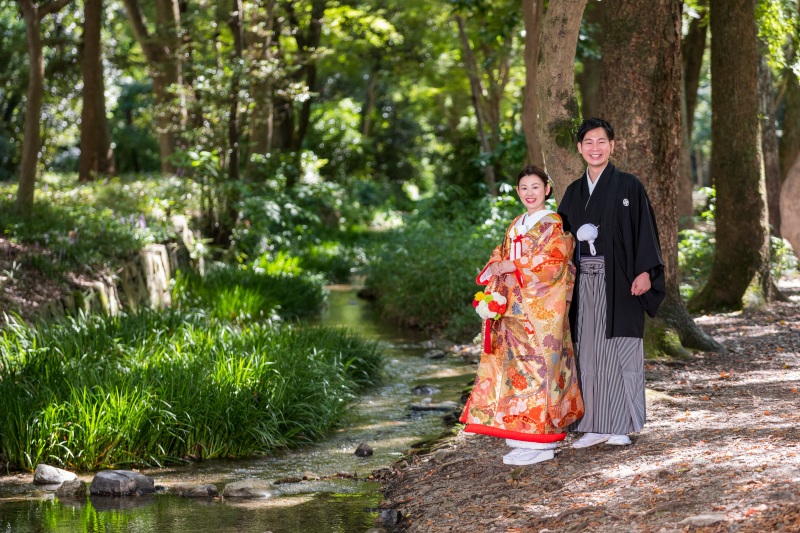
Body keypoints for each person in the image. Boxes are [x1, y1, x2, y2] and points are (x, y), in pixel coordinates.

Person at [461, 165, 584, 466]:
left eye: (535, 187)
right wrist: (496, 268)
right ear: (518, 192)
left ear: (547, 190)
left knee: (540, 370)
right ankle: (520, 437)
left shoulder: (552, 223)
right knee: (515, 372)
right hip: (513, 309)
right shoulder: (517, 223)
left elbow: (554, 260)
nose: (530, 193)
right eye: (524, 188)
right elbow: (499, 253)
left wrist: (513, 267)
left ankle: (543, 442)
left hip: (539, 311)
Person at [557, 117, 665, 449]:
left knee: (621, 351)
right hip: (583, 283)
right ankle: (592, 425)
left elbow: (645, 230)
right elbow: (559, 241)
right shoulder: (574, 192)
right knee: (587, 353)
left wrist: (646, 272)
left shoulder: (629, 185)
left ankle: (621, 424)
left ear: (612, 146)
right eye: (588, 142)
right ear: (579, 148)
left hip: (620, 282)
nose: (595, 148)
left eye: (601, 141)